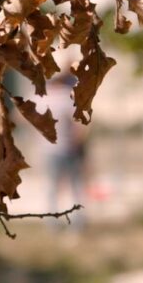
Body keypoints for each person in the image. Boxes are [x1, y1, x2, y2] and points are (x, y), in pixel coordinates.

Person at [43, 73, 88, 227]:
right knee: (75, 186)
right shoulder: (65, 96)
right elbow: (80, 123)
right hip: (68, 148)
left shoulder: (41, 96)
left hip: (50, 150)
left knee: (53, 187)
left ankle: (52, 223)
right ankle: (77, 223)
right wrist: (78, 142)